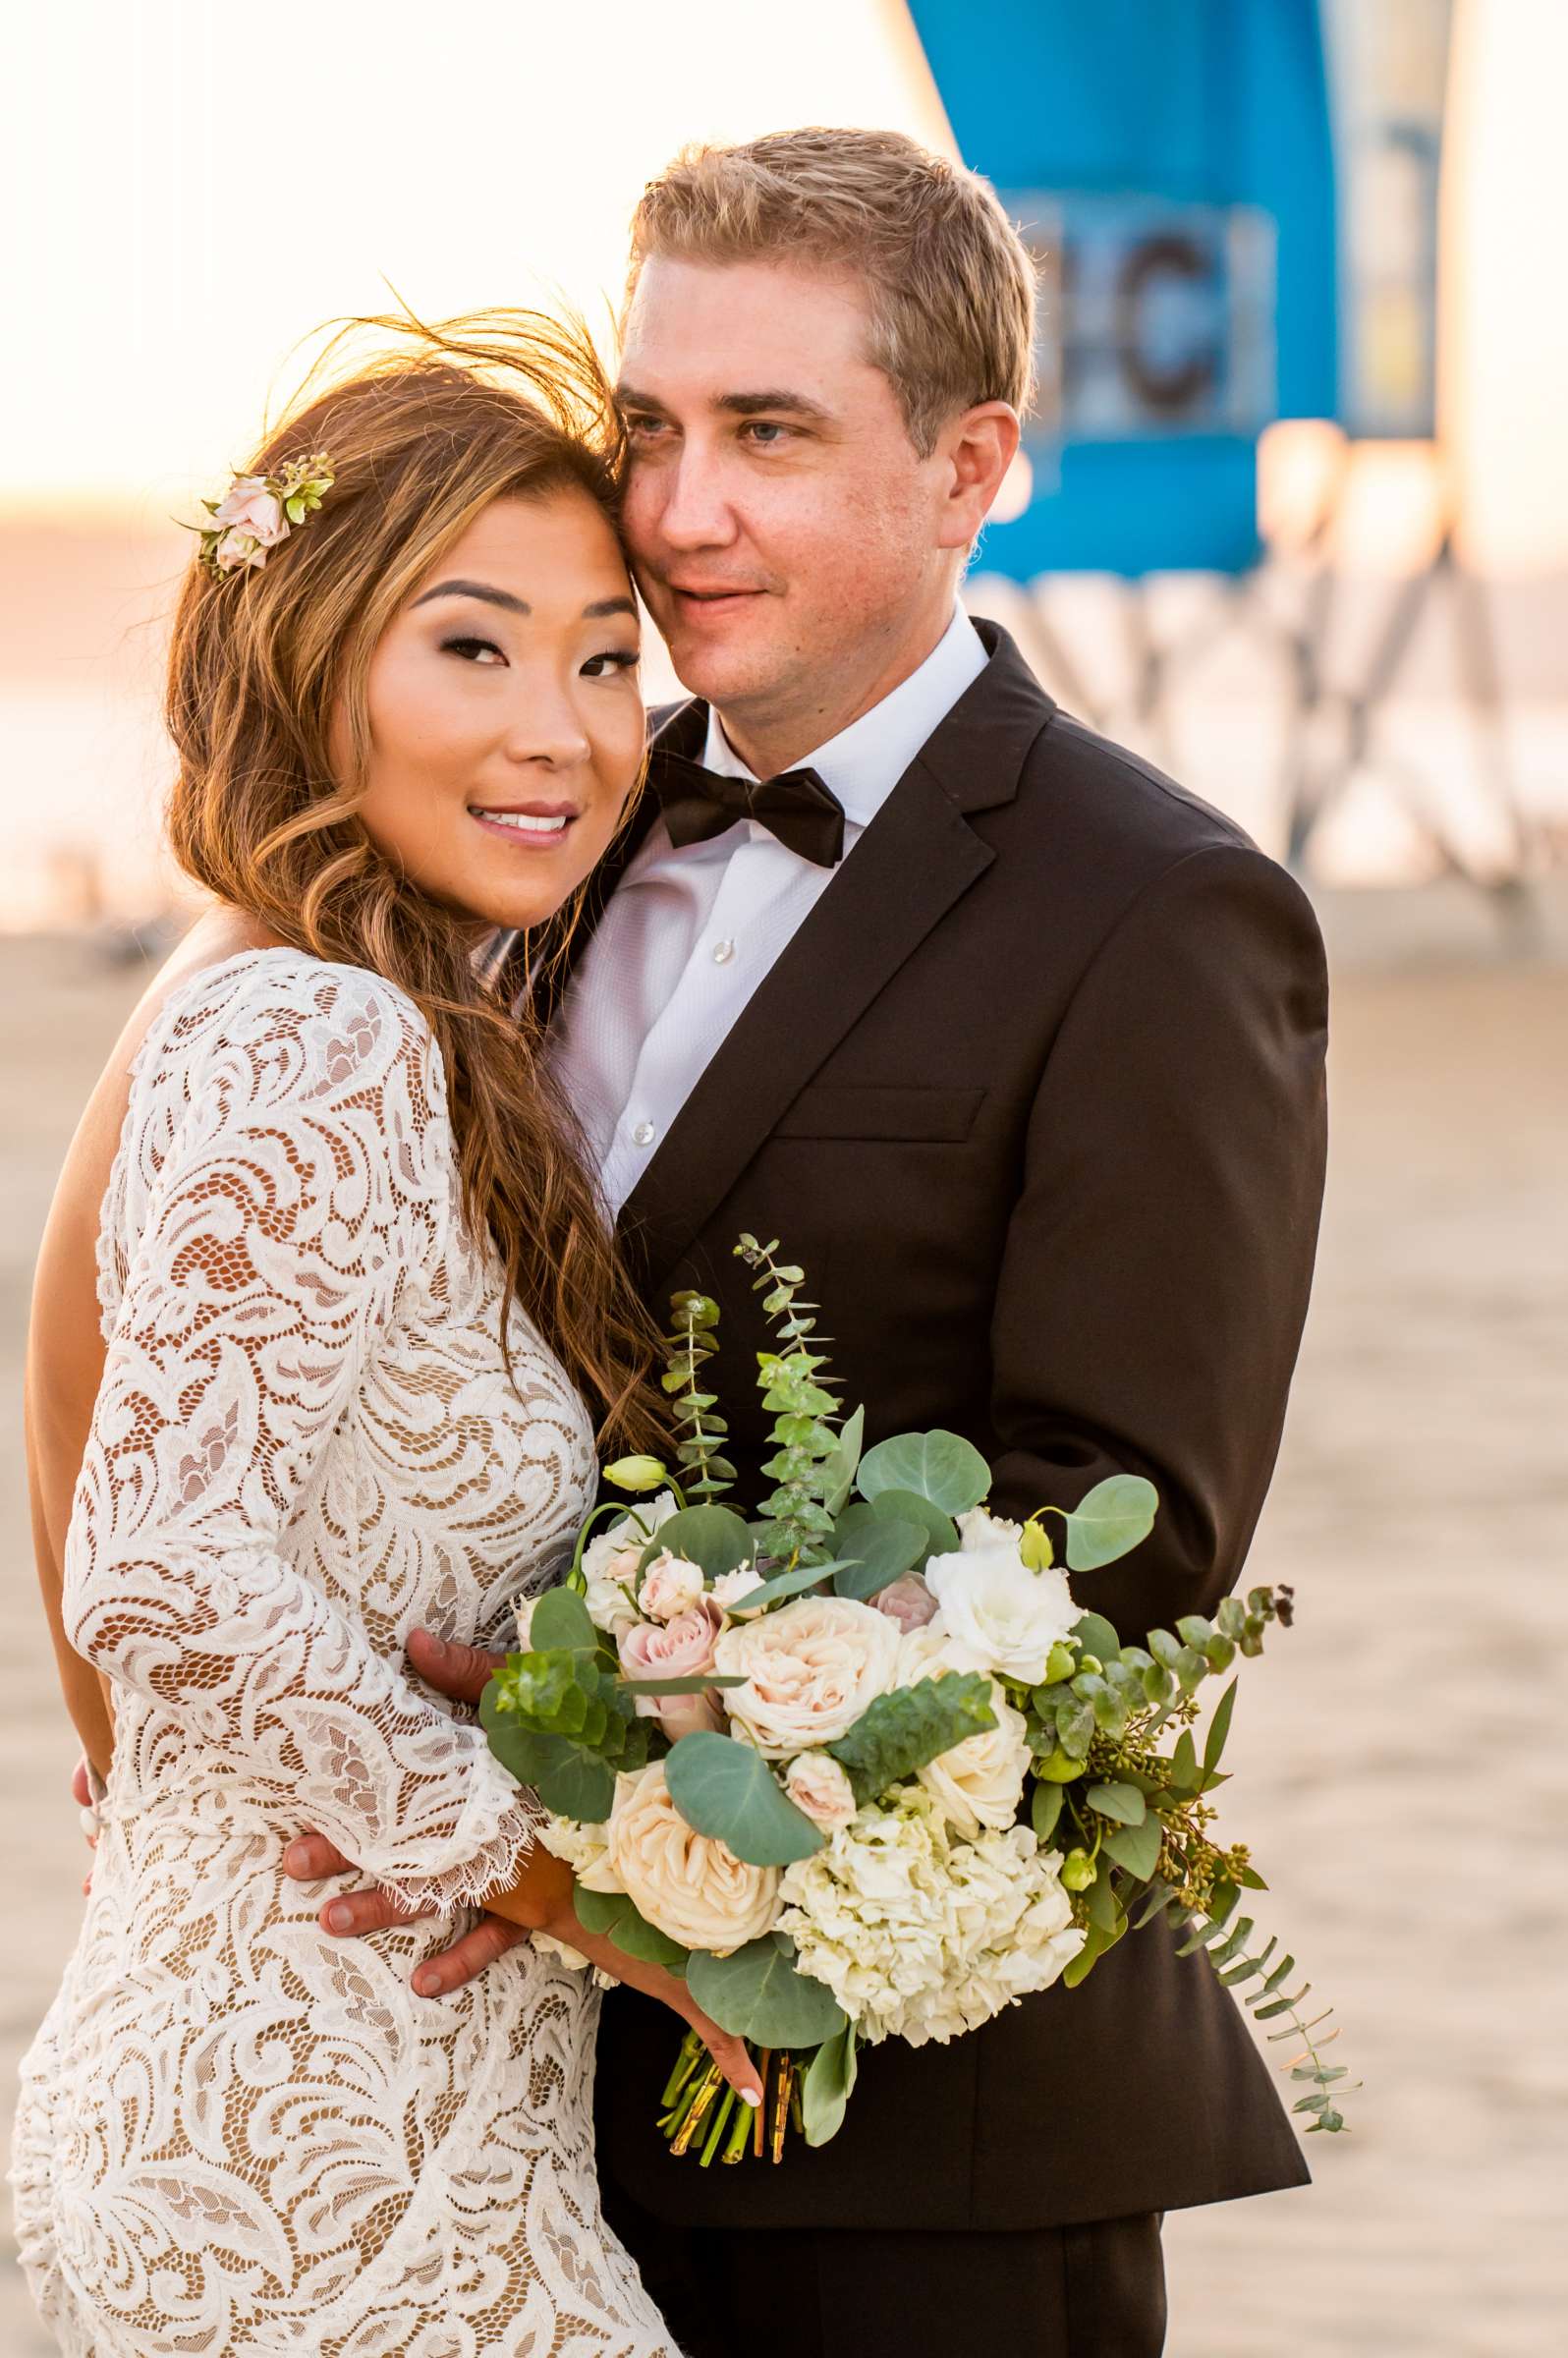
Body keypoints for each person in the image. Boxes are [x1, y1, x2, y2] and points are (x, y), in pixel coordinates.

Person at [295, 131, 1329, 2357]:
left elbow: (1120, 1547)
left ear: (972, 468)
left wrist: (615, 1777)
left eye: (767, 434)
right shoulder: (527, 830)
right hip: (491, 2097)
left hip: (914, 2143)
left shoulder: (1160, 915)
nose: (675, 511)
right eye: (651, 429)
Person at [12, 310, 756, 2357]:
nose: (567, 731)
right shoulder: (309, 1026)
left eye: (611, 658)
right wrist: (553, 1872)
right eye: (475, 645)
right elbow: (154, 1566)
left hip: (302, 2098)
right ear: (306, 655)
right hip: (314, 2155)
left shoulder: (275, 990)